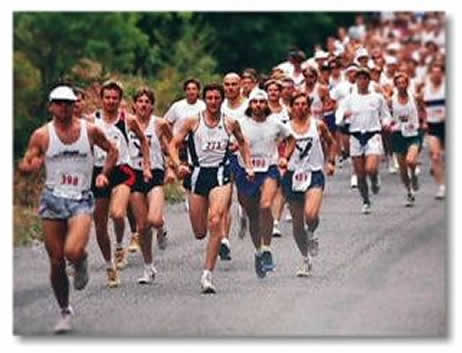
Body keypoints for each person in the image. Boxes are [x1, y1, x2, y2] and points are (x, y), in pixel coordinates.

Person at [18, 85, 118, 333]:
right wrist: (30, 167)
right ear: (51, 106)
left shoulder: (90, 130)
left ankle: (81, 259)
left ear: (75, 105)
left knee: (72, 250)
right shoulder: (42, 135)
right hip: (53, 199)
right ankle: (64, 309)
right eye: (59, 103)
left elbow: (112, 151)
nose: (64, 108)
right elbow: (26, 163)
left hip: (81, 198)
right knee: (56, 261)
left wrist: (104, 174)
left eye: (68, 103)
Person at [169, 83, 253, 294]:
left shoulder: (230, 123)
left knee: (216, 219)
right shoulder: (192, 121)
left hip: (220, 173)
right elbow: (173, 144)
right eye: (210, 98)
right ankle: (209, 237)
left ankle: (207, 274)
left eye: (217, 98)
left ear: (222, 100)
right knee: (199, 231)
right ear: (204, 100)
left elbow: (243, 143)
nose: (214, 102)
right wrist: (177, 164)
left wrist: (249, 166)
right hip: (197, 174)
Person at [89, 80, 151, 288]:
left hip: (123, 170)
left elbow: (143, 140)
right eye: (107, 97)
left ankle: (119, 245)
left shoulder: (128, 119)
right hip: (97, 171)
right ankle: (109, 266)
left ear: (120, 100)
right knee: (99, 225)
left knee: (117, 213)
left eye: (115, 98)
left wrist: (146, 165)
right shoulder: (92, 121)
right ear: (101, 99)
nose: (111, 101)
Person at [234, 89, 296, 278]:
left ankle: (267, 248)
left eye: (262, 102)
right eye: (255, 102)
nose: (258, 105)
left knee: (266, 205)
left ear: (266, 105)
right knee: (253, 214)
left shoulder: (275, 123)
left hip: (269, 168)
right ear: (250, 105)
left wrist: (285, 156)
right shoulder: (241, 124)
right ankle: (259, 250)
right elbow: (233, 142)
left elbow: (291, 138)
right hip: (246, 171)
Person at [281, 92, 336, 276]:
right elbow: (275, 148)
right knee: (297, 225)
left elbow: (331, 142)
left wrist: (330, 161)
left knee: (311, 214)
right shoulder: (285, 128)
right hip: (292, 174)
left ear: (309, 106)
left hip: (313, 173)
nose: (301, 107)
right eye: (297, 104)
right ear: (291, 107)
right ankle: (305, 259)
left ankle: (312, 232)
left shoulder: (318, 125)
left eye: (304, 104)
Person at [128, 87, 172, 284]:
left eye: (147, 101)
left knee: (154, 219)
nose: (143, 105)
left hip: (155, 172)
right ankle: (148, 267)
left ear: (152, 105)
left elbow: (172, 145)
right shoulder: (127, 123)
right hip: (133, 174)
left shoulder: (160, 123)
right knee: (142, 226)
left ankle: (161, 228)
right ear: (134, 104)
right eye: (140, 101)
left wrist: (172, 167)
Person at [337, 68, 391, 214]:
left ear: (369, 80)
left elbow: (386, 115)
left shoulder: (377, 98)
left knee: (370, 168)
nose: (362, 81)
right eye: (359, 78)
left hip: (372, 134)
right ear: (355, 81)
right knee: (360, 174)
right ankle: (366, 200)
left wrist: (386, 123)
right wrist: (344, 116)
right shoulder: (348, 99)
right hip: (355, 136)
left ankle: (374, 178)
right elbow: (338, 118)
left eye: (365, 78)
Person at [164, 78, 206, 212]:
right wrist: (170, 138)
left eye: (194, 89)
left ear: (198, 91)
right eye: (188, 89)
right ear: (185, 91)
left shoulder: (203, 106)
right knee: (182, 170)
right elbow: (167, 123)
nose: (191, 92)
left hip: (197, 142)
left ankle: (195, 195)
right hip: (180, 142)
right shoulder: (177, 106)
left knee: (194, 169)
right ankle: (188, 195)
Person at [385, 72, 422, 206]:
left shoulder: (415, 97)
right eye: (398, 83)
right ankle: (409, 191)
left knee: (410, 161)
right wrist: (388, 123)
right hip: (398, 134)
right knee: (402, 169)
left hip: (413, 133)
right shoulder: (391, 100)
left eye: (403, 82)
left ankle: (414, 175)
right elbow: (386, 115)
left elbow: (422, 110)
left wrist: (423, 122)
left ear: (407, 84)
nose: (401, 85)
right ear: (395, 85)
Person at [222, 73, 250, 243]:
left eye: (234, 84)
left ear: (240, 86)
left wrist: (240, 145)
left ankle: (244, 212)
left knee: (243, 196)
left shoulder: (248, 106)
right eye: (227, 84)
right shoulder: (219, 106)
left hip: (242, 154)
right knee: (224, 198)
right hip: (223, 155)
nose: (230, 88)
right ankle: (224, 238)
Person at [422, 63, 445, 199]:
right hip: (433, 125)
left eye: (438, 72)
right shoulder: (426, 89)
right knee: (436, 156)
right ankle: (441, 186)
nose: (435, 75)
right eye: (433, 72)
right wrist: (424, 119)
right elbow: (422, 106)